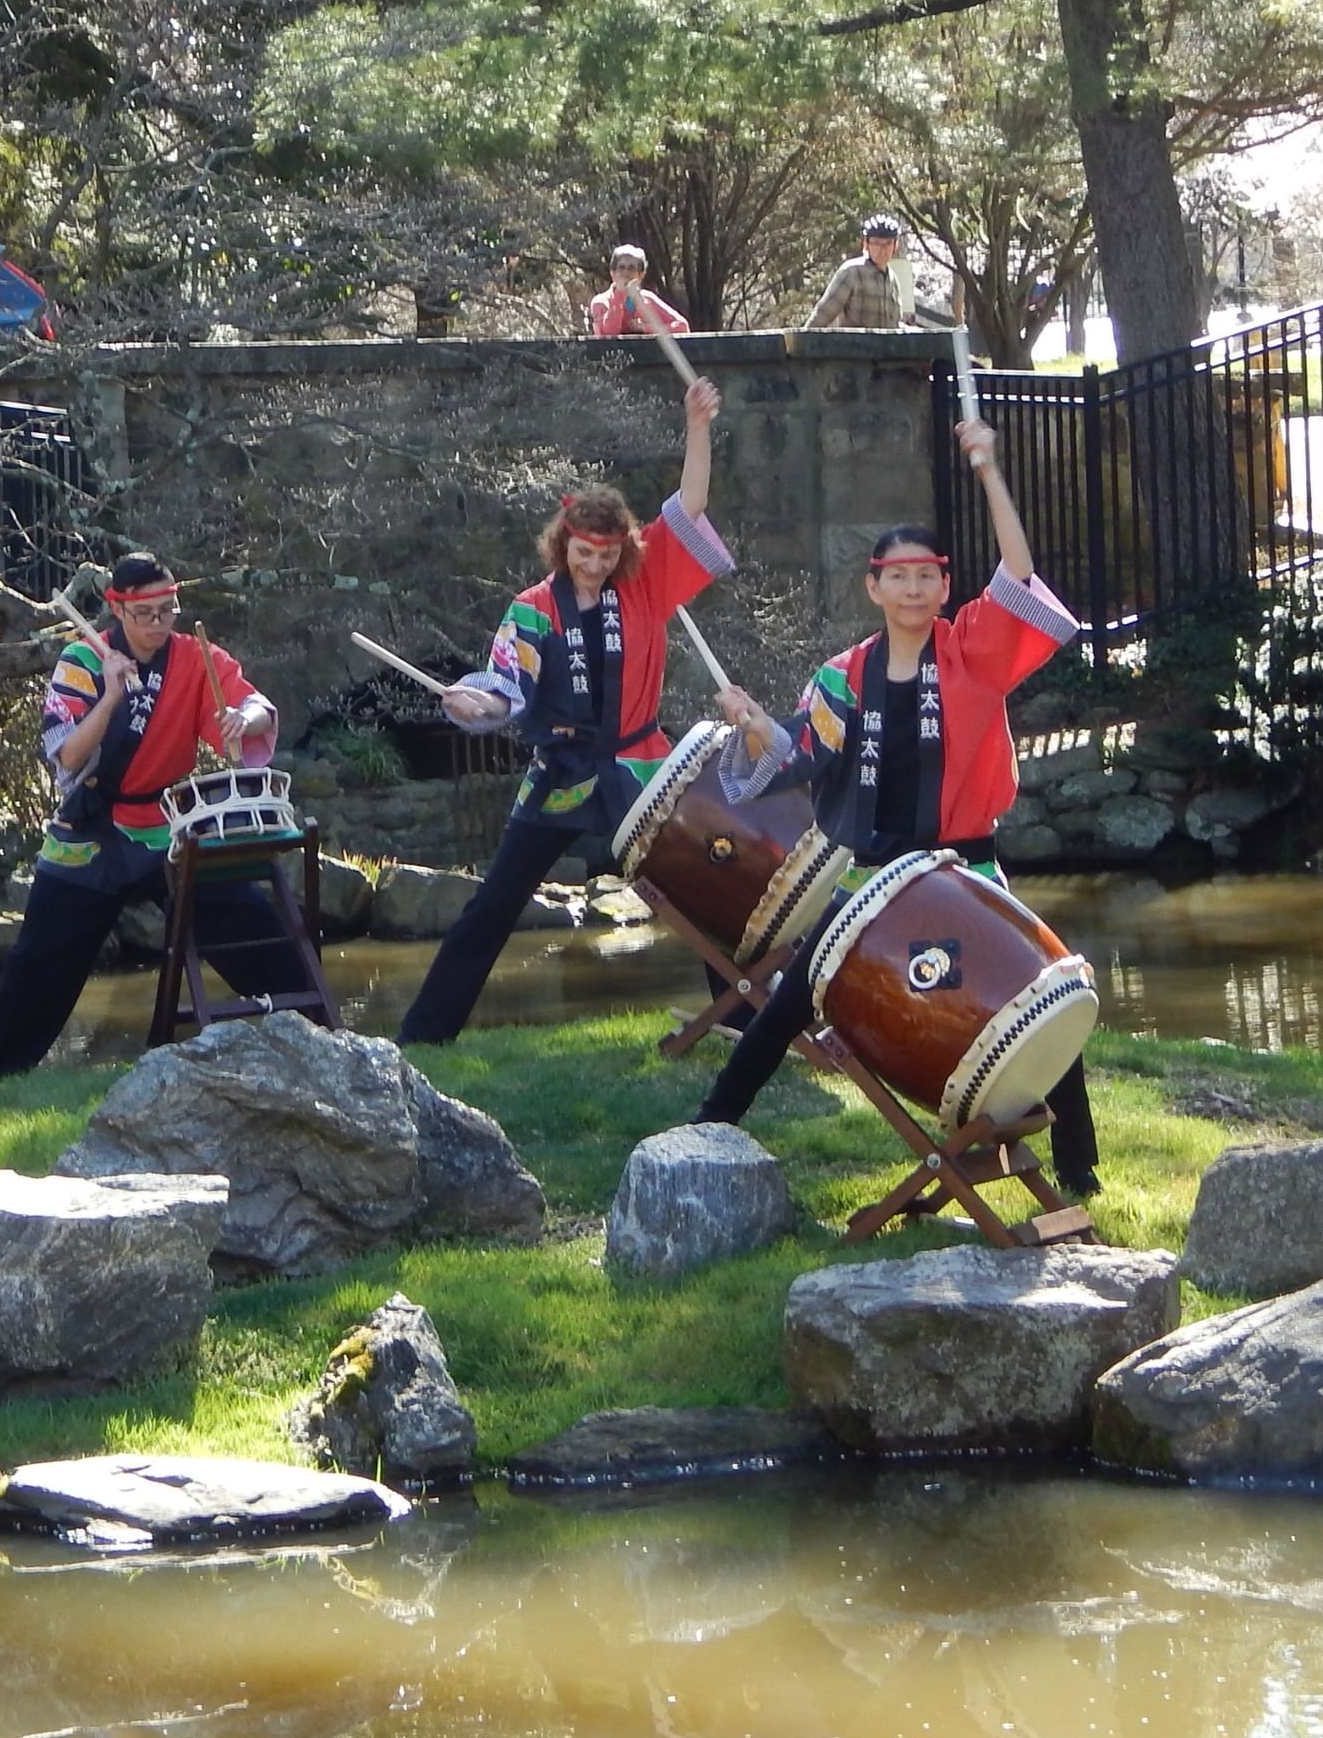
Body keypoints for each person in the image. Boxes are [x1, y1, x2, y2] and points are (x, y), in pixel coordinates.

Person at [694, 417, 1098, 1195]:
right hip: (875, 878)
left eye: (928, 577)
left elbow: (1019, 571)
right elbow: (799, 758)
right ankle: (708, 1131)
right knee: (789, 1002)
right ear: (873, 586)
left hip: (965, 867)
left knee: (1034, 991)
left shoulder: (973, 651)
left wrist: (987, 471)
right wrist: (754, 725)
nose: (914, 590)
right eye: (898, 577)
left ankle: (1080, 1165)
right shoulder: (843, 677)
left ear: (945, 588)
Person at [399, 378, 731, 1045]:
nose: (595, 566)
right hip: (561, 772)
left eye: (608, 556)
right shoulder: (531, 607)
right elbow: (504, 688)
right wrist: (477, 703)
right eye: (584, 554)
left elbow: (689, 507)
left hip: (639, 764)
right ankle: (424, 1036)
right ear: (562, 545)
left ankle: (743, 1020)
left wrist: (698, 426)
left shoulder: (643, 584)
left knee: (702, 889)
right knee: (494, 903)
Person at [0, 553, 303, 1079]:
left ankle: (313, 1028)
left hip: (168, 825)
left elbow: (253, 703)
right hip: (93, 827)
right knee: (42, 959)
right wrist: (112, 695)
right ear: (117, 610)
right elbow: (69, 756)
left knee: (247, 919)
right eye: (145, 614)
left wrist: (243, 716)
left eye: (167, 611)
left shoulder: (194, 658)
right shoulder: (81, 660)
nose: (157, 625)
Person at [806, 214, 910, 330]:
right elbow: (821, 316)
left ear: (895, 246)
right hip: (854, 347)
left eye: (887, 244)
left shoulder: (893, 281)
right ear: (866, 244)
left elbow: (894, 326)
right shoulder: (851, 273)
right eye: (876, 243)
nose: (882, 249)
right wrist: (801, 344)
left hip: (886, 347)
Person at [585, 245, 690, 339]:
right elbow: (609, 334)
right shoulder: (600, 302)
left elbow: (682, 326)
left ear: (641, 275)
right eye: (621, 268)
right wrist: (619, 296)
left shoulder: (647, 299)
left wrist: (645, 327)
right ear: (612, 273)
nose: (626, 273)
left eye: (632, 268)